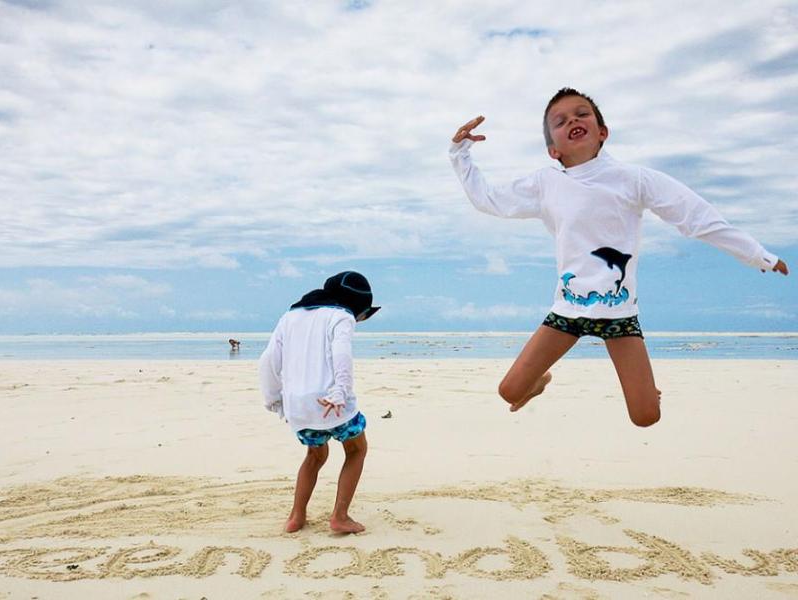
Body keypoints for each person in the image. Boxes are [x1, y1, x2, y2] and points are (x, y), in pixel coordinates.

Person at [449, 87, 789, 427]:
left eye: (582, 114)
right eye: (560, 120)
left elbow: (694, 215)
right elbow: (488, 199)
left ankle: (646, 393)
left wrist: (758, 255)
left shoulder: (634, 179)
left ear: (602, 132)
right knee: (509, 391)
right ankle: (539, 381)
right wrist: (460, 152)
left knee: (645, 417)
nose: (573, 121)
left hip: (619, 313)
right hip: (568, 310)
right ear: (553, 150)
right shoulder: (545, 184)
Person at [258, 271, 380, 533]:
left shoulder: (289, 317)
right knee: (356, 450)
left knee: (315, 455)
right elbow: (342, 354)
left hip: (298, 406)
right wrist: (341, 391)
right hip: (332, 402)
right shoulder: (342, 317)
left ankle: (296, 517)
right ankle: (340, 516)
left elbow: (268, 360)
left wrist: (273, 398)